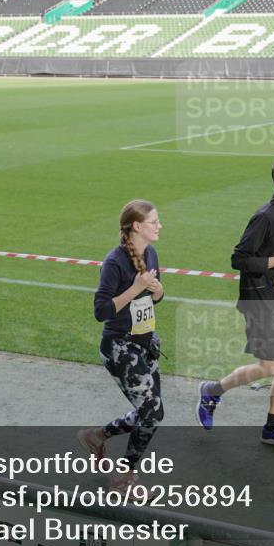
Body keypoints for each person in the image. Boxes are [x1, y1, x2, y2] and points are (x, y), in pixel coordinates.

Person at [197, 156, 274, 450]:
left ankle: (272, 429)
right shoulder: (265, 216)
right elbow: (239, 259)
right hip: (260, 300)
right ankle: (212, 391)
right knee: (270, 366)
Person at [80, 200, 165, 490]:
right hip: (120, 348)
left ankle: (97, 436)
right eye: (154, 222)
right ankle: (124, 477)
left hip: (146, 343)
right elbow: (101, 311)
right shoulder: (114, 262)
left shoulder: (150, 253)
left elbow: (153, 299)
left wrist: (157, 290)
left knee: (152, 412)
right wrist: (136, 288)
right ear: (137, 226)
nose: (160, 226)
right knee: (151, 413)